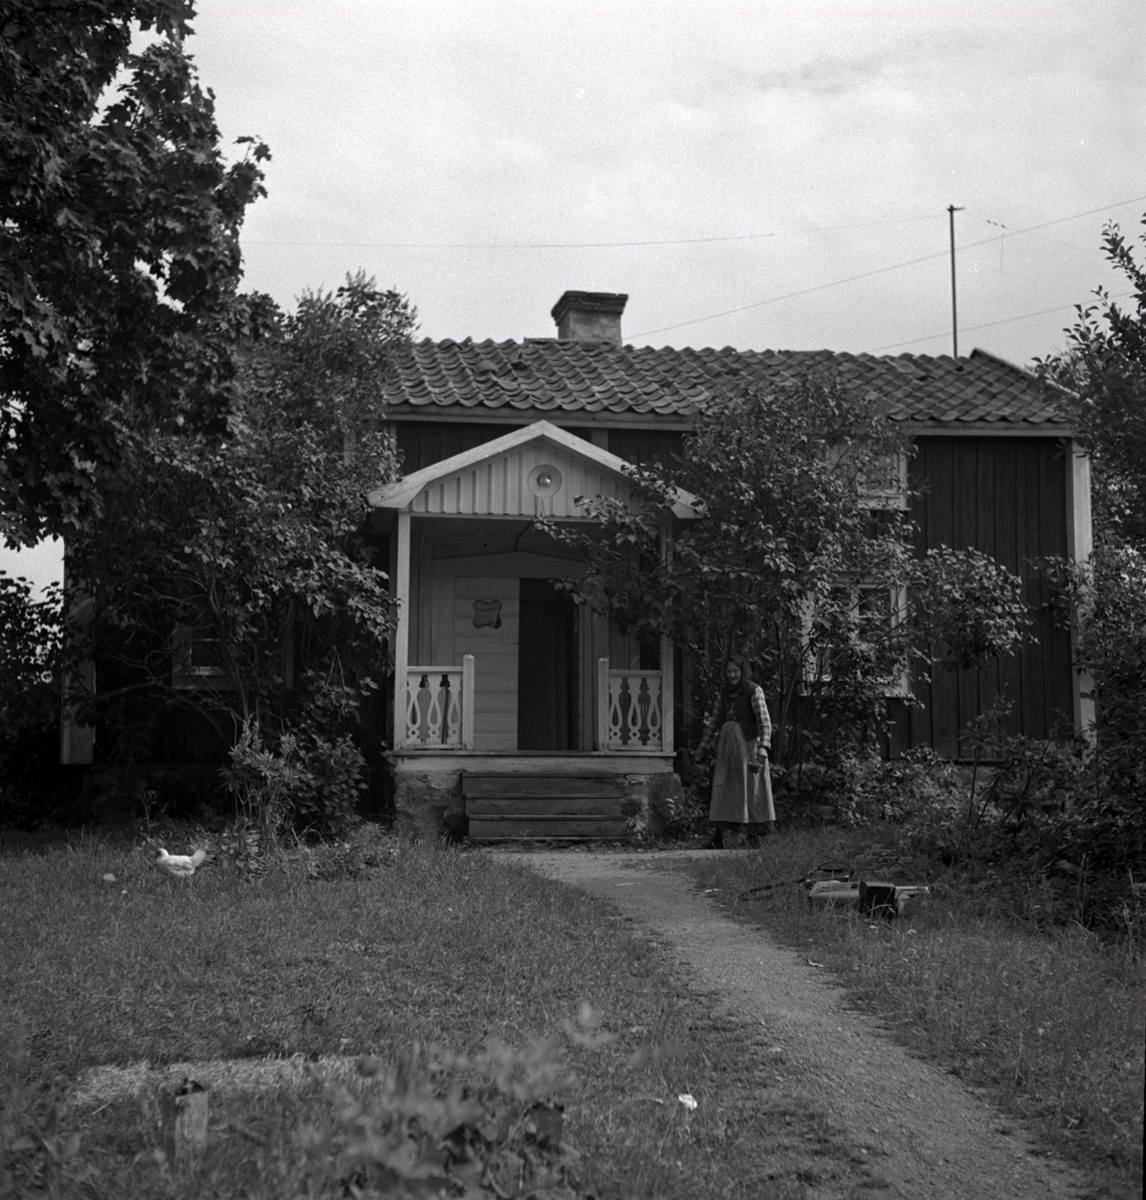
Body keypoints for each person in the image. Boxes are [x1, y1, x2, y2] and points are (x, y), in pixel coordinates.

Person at [692, 654, 774, 848]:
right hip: (727, 745)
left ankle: (753, 836)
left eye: (736, 671)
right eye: (729, 671)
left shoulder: (754, 691)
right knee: (723, 786)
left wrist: (763, 748)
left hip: (748, 744)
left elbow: (764, 722)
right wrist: (703, 747)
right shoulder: (725, 692)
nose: (732, 675)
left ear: (743, 671)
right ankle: (719, 837)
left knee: (750, 786)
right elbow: (715, 720)